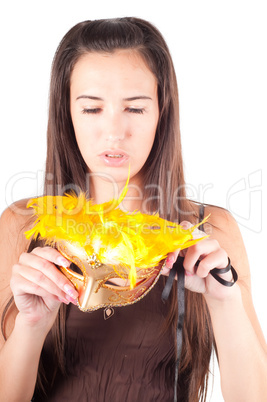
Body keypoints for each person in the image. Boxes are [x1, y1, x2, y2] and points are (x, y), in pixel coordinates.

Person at [0, 17, 266, 402]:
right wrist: (31, 325)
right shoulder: (21, 227)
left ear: (162, 111)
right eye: (92, 109)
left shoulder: (210, 232)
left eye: (135, 109)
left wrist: (224, 302)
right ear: (66, 113)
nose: (114, 132)